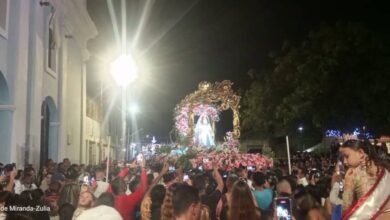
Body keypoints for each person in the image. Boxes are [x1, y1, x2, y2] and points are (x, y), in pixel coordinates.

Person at [339, 139, 390, 219]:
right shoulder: (384, 169)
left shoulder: (352, 174)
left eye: (347, 156)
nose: (345, 162)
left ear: (361, 153)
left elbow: (346, 208)